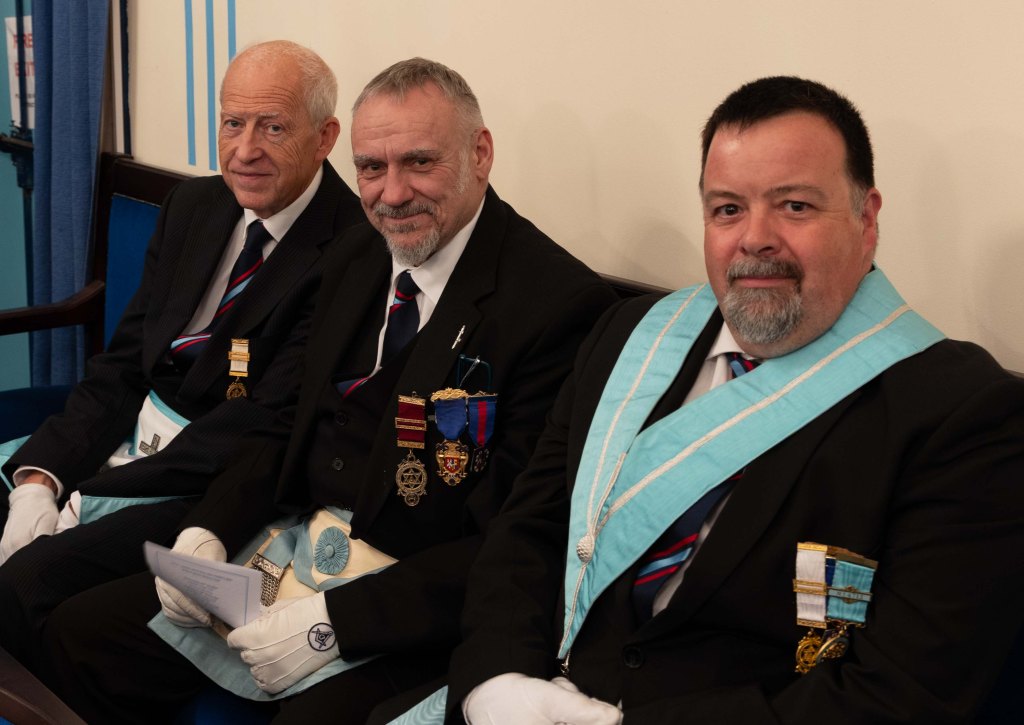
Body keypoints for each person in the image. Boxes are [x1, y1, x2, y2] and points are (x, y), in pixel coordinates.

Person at [396, 76, 1024, 724]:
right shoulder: (627, 335)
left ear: (867, 220)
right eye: (727, 209)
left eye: (795, 206)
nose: (755, 238)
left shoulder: (963, 417)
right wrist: (495, 681)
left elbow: (896, 696)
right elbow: (527, 530)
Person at [41, 58, 618, 724]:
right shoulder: (353, 255)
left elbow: (512, 535)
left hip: (409, 601)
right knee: (81, 635)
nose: (392, 194)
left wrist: (338, 622)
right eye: (371, 167)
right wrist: (210, 527)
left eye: (419, 163)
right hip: (288, 551)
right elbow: (286, 421)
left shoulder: (557, 307)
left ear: (480, 154)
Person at [0, 40, 364, 673]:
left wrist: (91, 496)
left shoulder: (354, 249)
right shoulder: (195, 206)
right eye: (232, 122)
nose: (245, 149)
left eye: (273, 128)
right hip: (130, 438)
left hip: (206, 479)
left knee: (24, 583)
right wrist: (44, 479)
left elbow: (262, 420)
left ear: (324, 137)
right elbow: (123, 365)